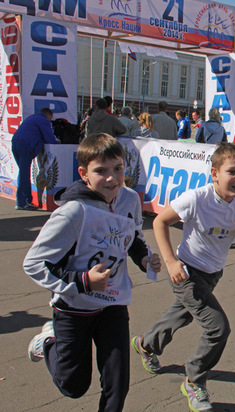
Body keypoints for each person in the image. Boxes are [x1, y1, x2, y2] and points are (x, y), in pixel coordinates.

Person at [24, 133, 161, 411]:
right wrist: (84, 281)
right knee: (73, 386)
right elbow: (35, 263)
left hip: (113, 302)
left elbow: (131, 236)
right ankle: (48, 342)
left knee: (117, 384)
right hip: (74, 307)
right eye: (101, 171)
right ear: (84, 174)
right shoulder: (74, 212)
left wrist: (145, 259)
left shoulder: (130, 199)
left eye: (118, 169)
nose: (112, 178)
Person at [131, 142, 235, 411]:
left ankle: (146, 344)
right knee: (217, 327)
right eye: (232, 172)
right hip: (186, 272)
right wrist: (171, 262)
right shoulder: (196, 198)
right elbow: (160, 222)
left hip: (212, 273)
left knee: (181, 315)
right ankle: (194, 380)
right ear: (215, 174)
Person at [11, 107, 59, 210]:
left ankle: (26, 199)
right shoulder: (43, 121)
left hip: (15, 143)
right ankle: (22, 202)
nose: (50, 121)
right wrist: (58, 142)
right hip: (26, 146)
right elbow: (49, 138)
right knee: (24, 174)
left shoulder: (32, 118)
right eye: (50, 118)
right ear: (48, 115)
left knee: (23, 173)